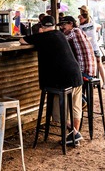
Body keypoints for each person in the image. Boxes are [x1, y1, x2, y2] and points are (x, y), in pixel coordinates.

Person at [20, 15, 84, 146]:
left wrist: (40, 34)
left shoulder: (42, 37)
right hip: (76, 75)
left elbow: (22, 40)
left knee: (56, 107)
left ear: (42, 27)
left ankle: (74, 133)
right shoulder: (61, 35)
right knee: (75, 107)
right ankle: (73, 136)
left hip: (62, 80)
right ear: (55, 26)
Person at [79, 6, 105, 89]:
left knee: (99, 63)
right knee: (92, 65)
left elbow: (98, 26)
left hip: (94, 47)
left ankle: (104, 82)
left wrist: (96, 33)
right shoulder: (80, 26)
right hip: (87, 48)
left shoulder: (91, 22)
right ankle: (93, 81)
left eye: (81, 17)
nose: (80, 19)